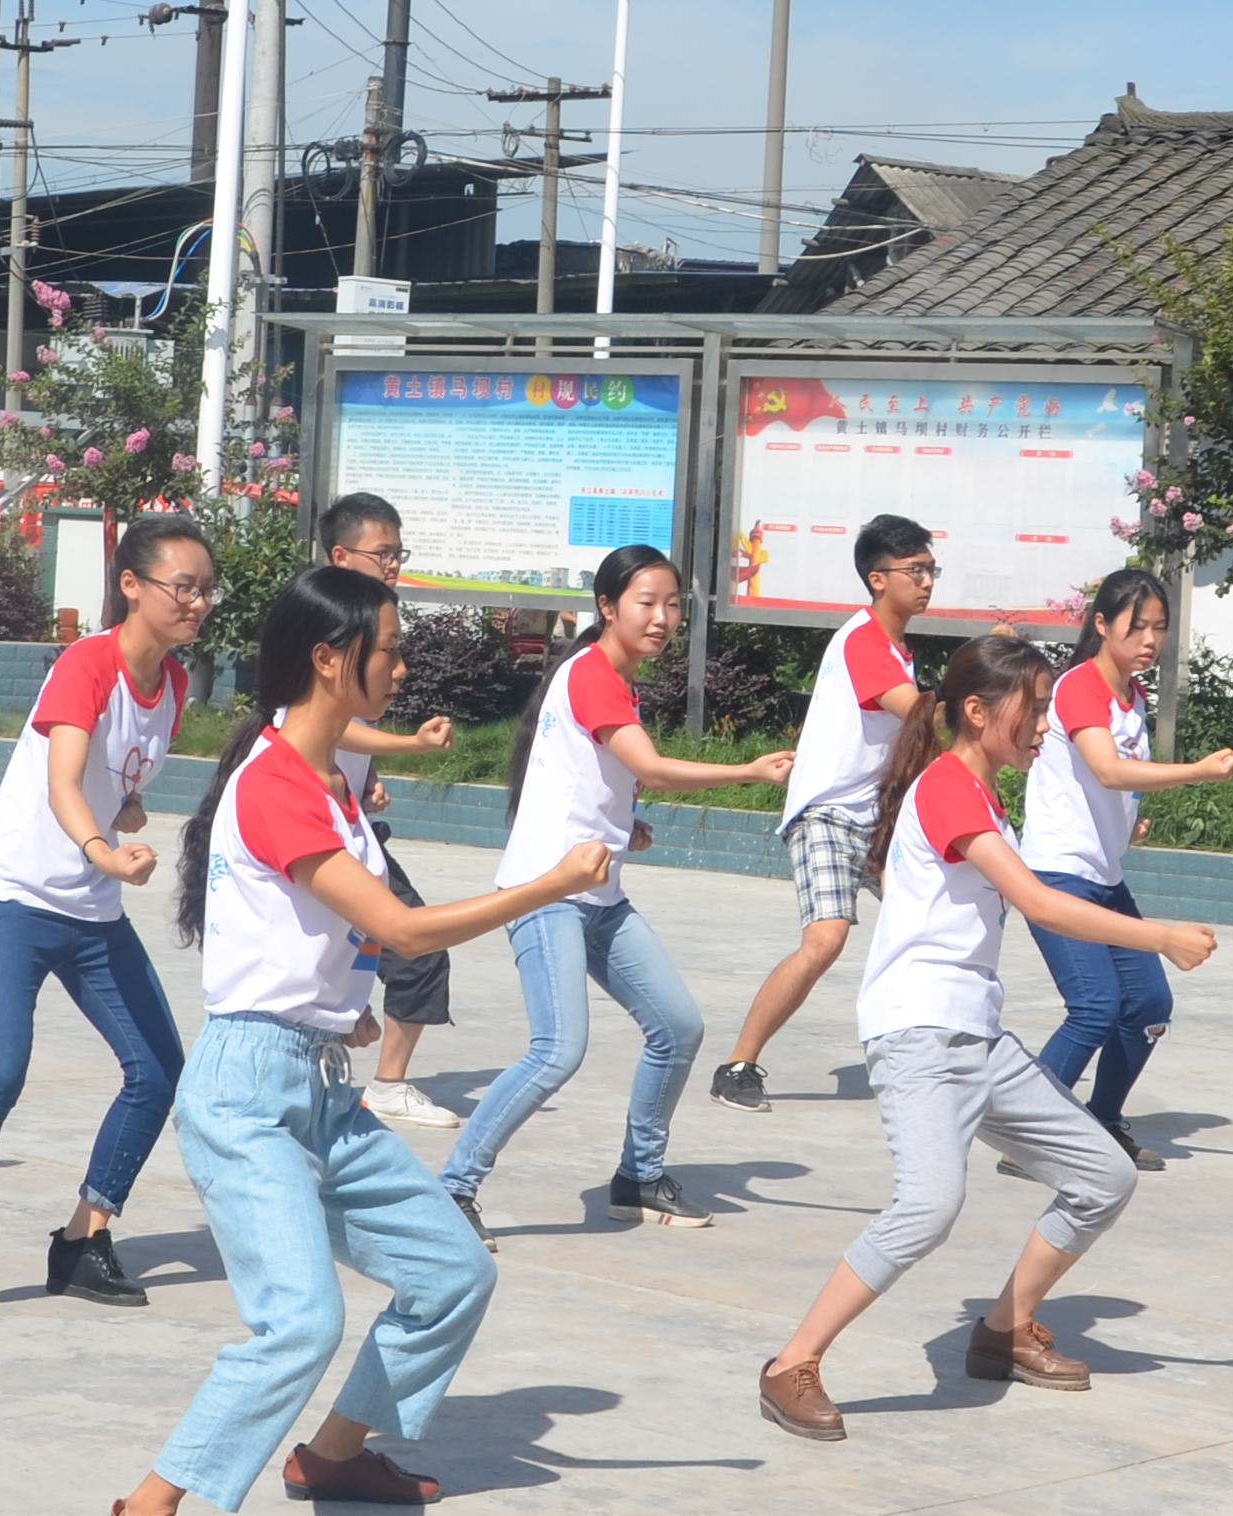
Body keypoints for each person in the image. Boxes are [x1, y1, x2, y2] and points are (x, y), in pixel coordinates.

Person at [101, 567, 615, 1516]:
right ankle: (149, 1504)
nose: (401, 664)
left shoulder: (328, 780)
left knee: (451, 1273)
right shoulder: (276, 782)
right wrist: (546, 885)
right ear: (329, 660)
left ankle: (331, 1453)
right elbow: (400, 927)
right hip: (248, 1095)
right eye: (387, 647)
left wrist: (342, 997)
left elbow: (344, 934)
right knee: (301, 1319)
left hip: (320, 1087)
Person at [754, 629, 1216, 1441]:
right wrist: (1161, 937)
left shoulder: (973, 789)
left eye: (1046, 708)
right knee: (929, 1204)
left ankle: (1003, 1327)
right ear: (977, 711)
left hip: (978, 1035)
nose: (1044, 726)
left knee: (1104, 1175)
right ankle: (792, 1362)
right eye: (1032, 709)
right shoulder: (951, 788)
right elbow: (1037, 902)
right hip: (919, 1033)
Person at [0, 511, 215, 1325]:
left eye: (204, 590)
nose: (197, 602)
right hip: (16, 899)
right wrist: (105, 848)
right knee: (0, 1070)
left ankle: (83, 1239)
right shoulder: (88, 664)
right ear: (131, 586)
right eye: (182, 586)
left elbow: (120, 781)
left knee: (158, 1072)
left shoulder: (175, 685)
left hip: (92, 910)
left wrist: (129, 817)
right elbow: (64, 782)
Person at [444, 544, 795, 1227]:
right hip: (547, 893)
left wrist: (621, 822)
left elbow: (583, 775)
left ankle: (638, 1175)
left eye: (672, 605)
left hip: (597, 894)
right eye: (647, 603)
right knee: (557, 1050)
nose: (662, 617)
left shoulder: (606, 678)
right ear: (607, 607)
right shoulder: (596, 674)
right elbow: (652, 767)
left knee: (678, 1027)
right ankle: (453, 1187)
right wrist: (750, 770)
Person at [711, 513, 937, 1111]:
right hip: (829, 815)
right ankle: (738, 1066)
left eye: (931, 568)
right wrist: (990, 692)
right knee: (826, 939)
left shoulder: (898, 647)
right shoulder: (864, 641)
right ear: (877, 579)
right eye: (915, 570)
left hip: (878, 820)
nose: (927, 580)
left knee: (931, 927)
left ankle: (928, 1054)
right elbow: (919, 716)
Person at [1022, 566, 1233, 1170]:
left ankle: (1102, 1120)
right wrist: (1196, 770)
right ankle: (1028, 1136)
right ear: (1100, 625)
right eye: (1136, 625)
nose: (1149, 639)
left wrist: (1128, 821)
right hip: (1057, 872)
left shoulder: (1132, 696)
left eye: (1160, 627)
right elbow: (1110, 770)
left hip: (1104, 876)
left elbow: (1117, 784)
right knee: (1095, 1005)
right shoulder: (1080, 686)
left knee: (1145, 1004)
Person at [315, 493, 462, 1131]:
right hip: (314, 821)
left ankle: (362, 1070)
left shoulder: (363, 619)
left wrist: (367, 778)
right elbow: (322, 722)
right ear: (341, 555)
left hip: (345, 817)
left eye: (399, 553)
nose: (394, 565)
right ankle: (384, 1083)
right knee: (415, 941)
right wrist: (410, 745)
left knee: (375, 944)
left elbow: (345, 727)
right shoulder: (322, 624)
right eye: (384, 554)